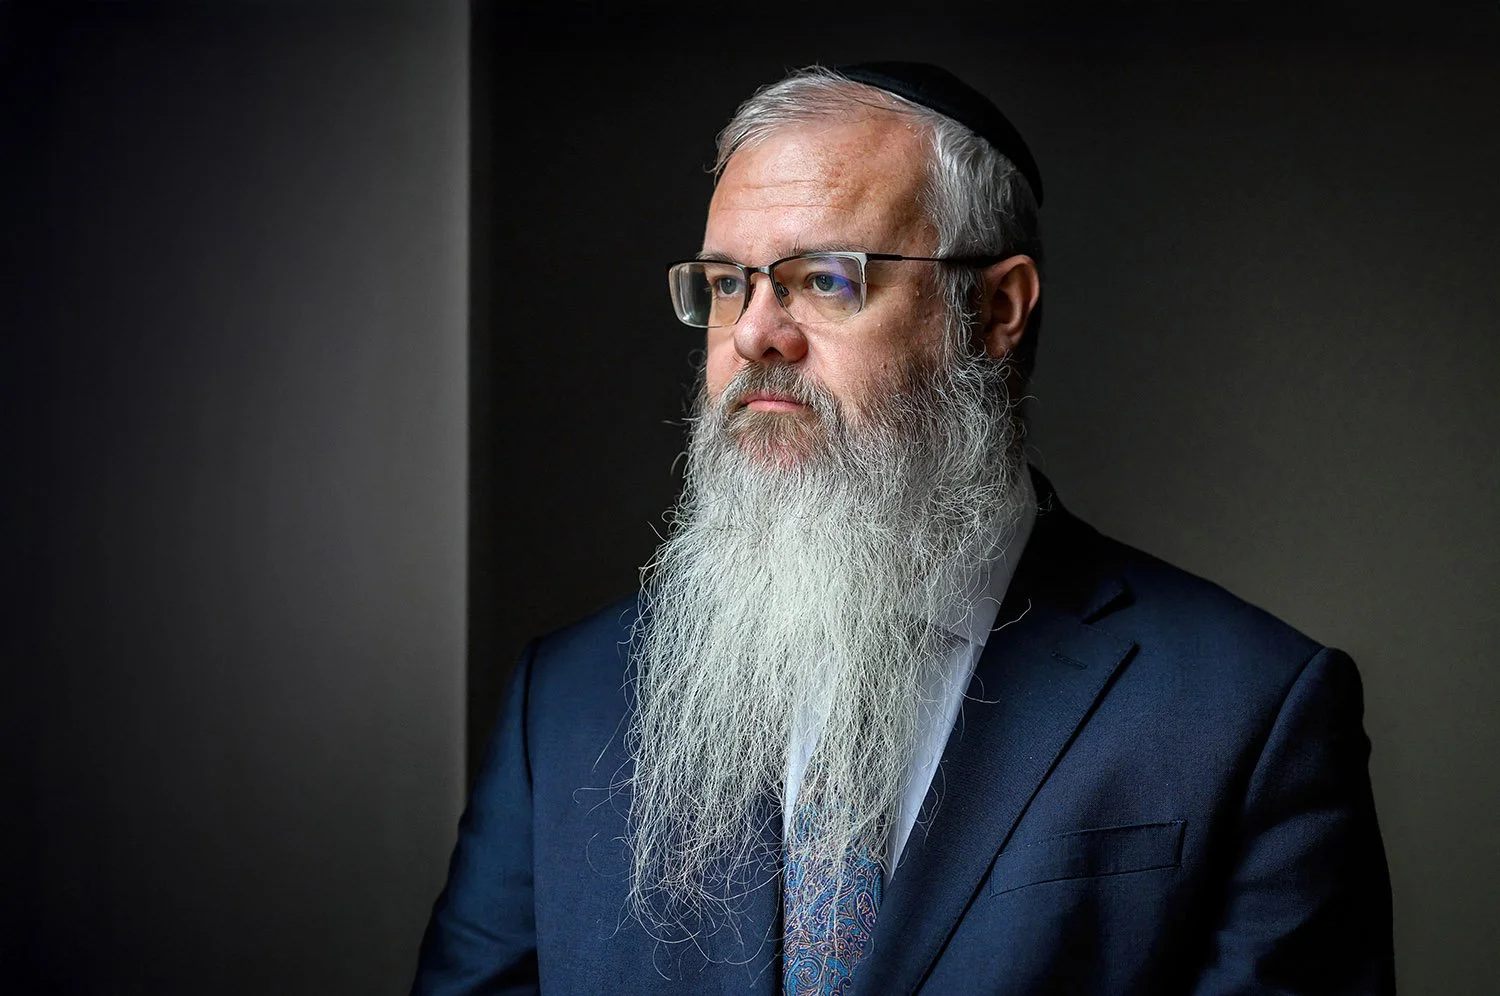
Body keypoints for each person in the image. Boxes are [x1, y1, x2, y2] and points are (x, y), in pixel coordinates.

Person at [412, 62, 1394, 995]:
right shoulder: (568, 703)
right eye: (726, 284)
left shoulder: (1244, 711)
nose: (756, 332)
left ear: (996, 309)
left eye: (825, 280)